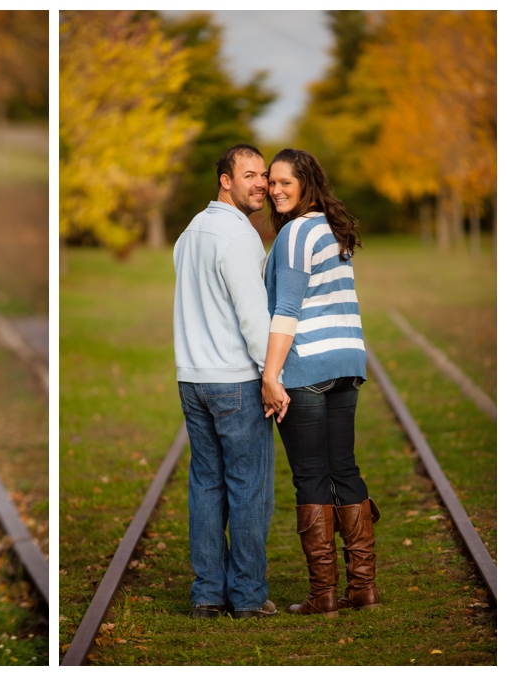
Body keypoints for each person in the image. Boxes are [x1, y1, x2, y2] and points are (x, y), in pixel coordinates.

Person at [262, 148, 379, 617]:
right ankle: (363, 588)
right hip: (347, 360)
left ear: (307, 182)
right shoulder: (334, 229)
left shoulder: (293, 234)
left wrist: (271, 375)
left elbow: (286, 312)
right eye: (271, 182)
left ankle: (324, 595)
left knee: (311, 475)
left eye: (285, 182)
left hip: (306, 365)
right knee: (343, 469)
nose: (275, 190)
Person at [173, 143, 286, 620]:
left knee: (206, 486)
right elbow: (252, 318)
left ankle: (206, 594)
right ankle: (246, 597)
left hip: (192, 378)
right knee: (249, 488)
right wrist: (272, 377)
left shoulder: (189, 233)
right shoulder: (237, 237)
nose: (261, 183)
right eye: (249, 175)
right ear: (225, 180)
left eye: (263, 175)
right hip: (236, 380)